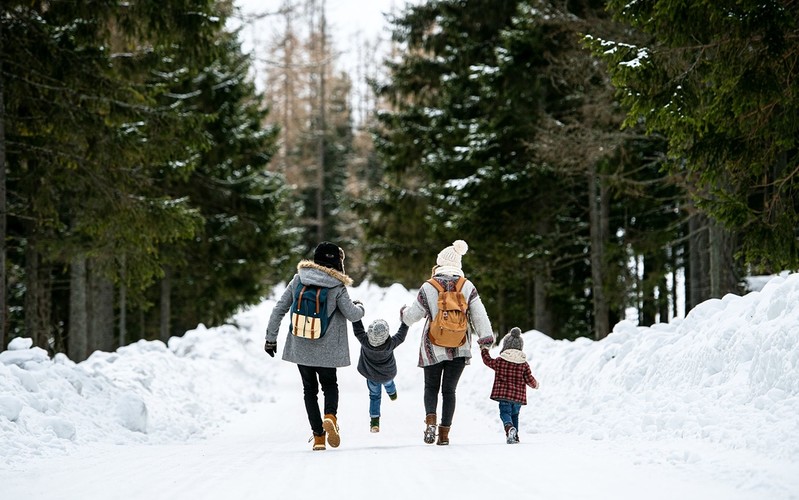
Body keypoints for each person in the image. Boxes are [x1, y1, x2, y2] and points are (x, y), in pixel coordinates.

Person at [264, 242, 365, 451]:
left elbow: (279, 309)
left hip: (301, 346)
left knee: (309, 389)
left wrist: (270, 338)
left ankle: (318, 437)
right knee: (330, 385)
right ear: (337, 262)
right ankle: (330, 416)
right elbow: (353, 314)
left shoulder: (299, 279)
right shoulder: (337, 285)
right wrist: (361, 307)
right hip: (328, 349)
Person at [400, 239, 494, 445]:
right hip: (460, 346)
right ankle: (444, 435)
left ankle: (430, 422)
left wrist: (403, 314)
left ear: (440, 264)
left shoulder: (429, 286)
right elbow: (480, 316)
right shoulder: (467, 286)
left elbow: (412, 316)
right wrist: (486, 341)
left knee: (431, 387)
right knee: (449, 391)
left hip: (432, 347)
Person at [479, 327, 539, 444]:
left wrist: (484, 349)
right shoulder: (524, 364)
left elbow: (487, 361)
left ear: (505, 346)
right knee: (515, 415)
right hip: (518, 398)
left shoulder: (500, 361)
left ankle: (509, 428)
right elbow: (529, 379)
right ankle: (515, 436)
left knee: (505, 413)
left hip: (504, 396)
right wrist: (535, 384)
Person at [352, 318, 409, 432]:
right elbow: (401, 336)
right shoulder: (390, 344)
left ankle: (374, 423)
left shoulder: (364, 341)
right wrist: (405, 321)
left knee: (374, 397)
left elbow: (358, 329)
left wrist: (356, 312)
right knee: (389, 384)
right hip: (387, 375)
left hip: (371, 377)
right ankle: (392, 394)